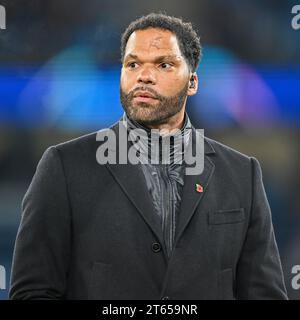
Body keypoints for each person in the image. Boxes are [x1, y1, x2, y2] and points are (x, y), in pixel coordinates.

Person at [9, 13, 287, 300]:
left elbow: (264, 293)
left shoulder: (242, 174)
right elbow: (34, 291)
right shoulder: (64, 167)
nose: (144, 75)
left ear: (192, 82)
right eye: (133, 64)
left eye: (164, 65)